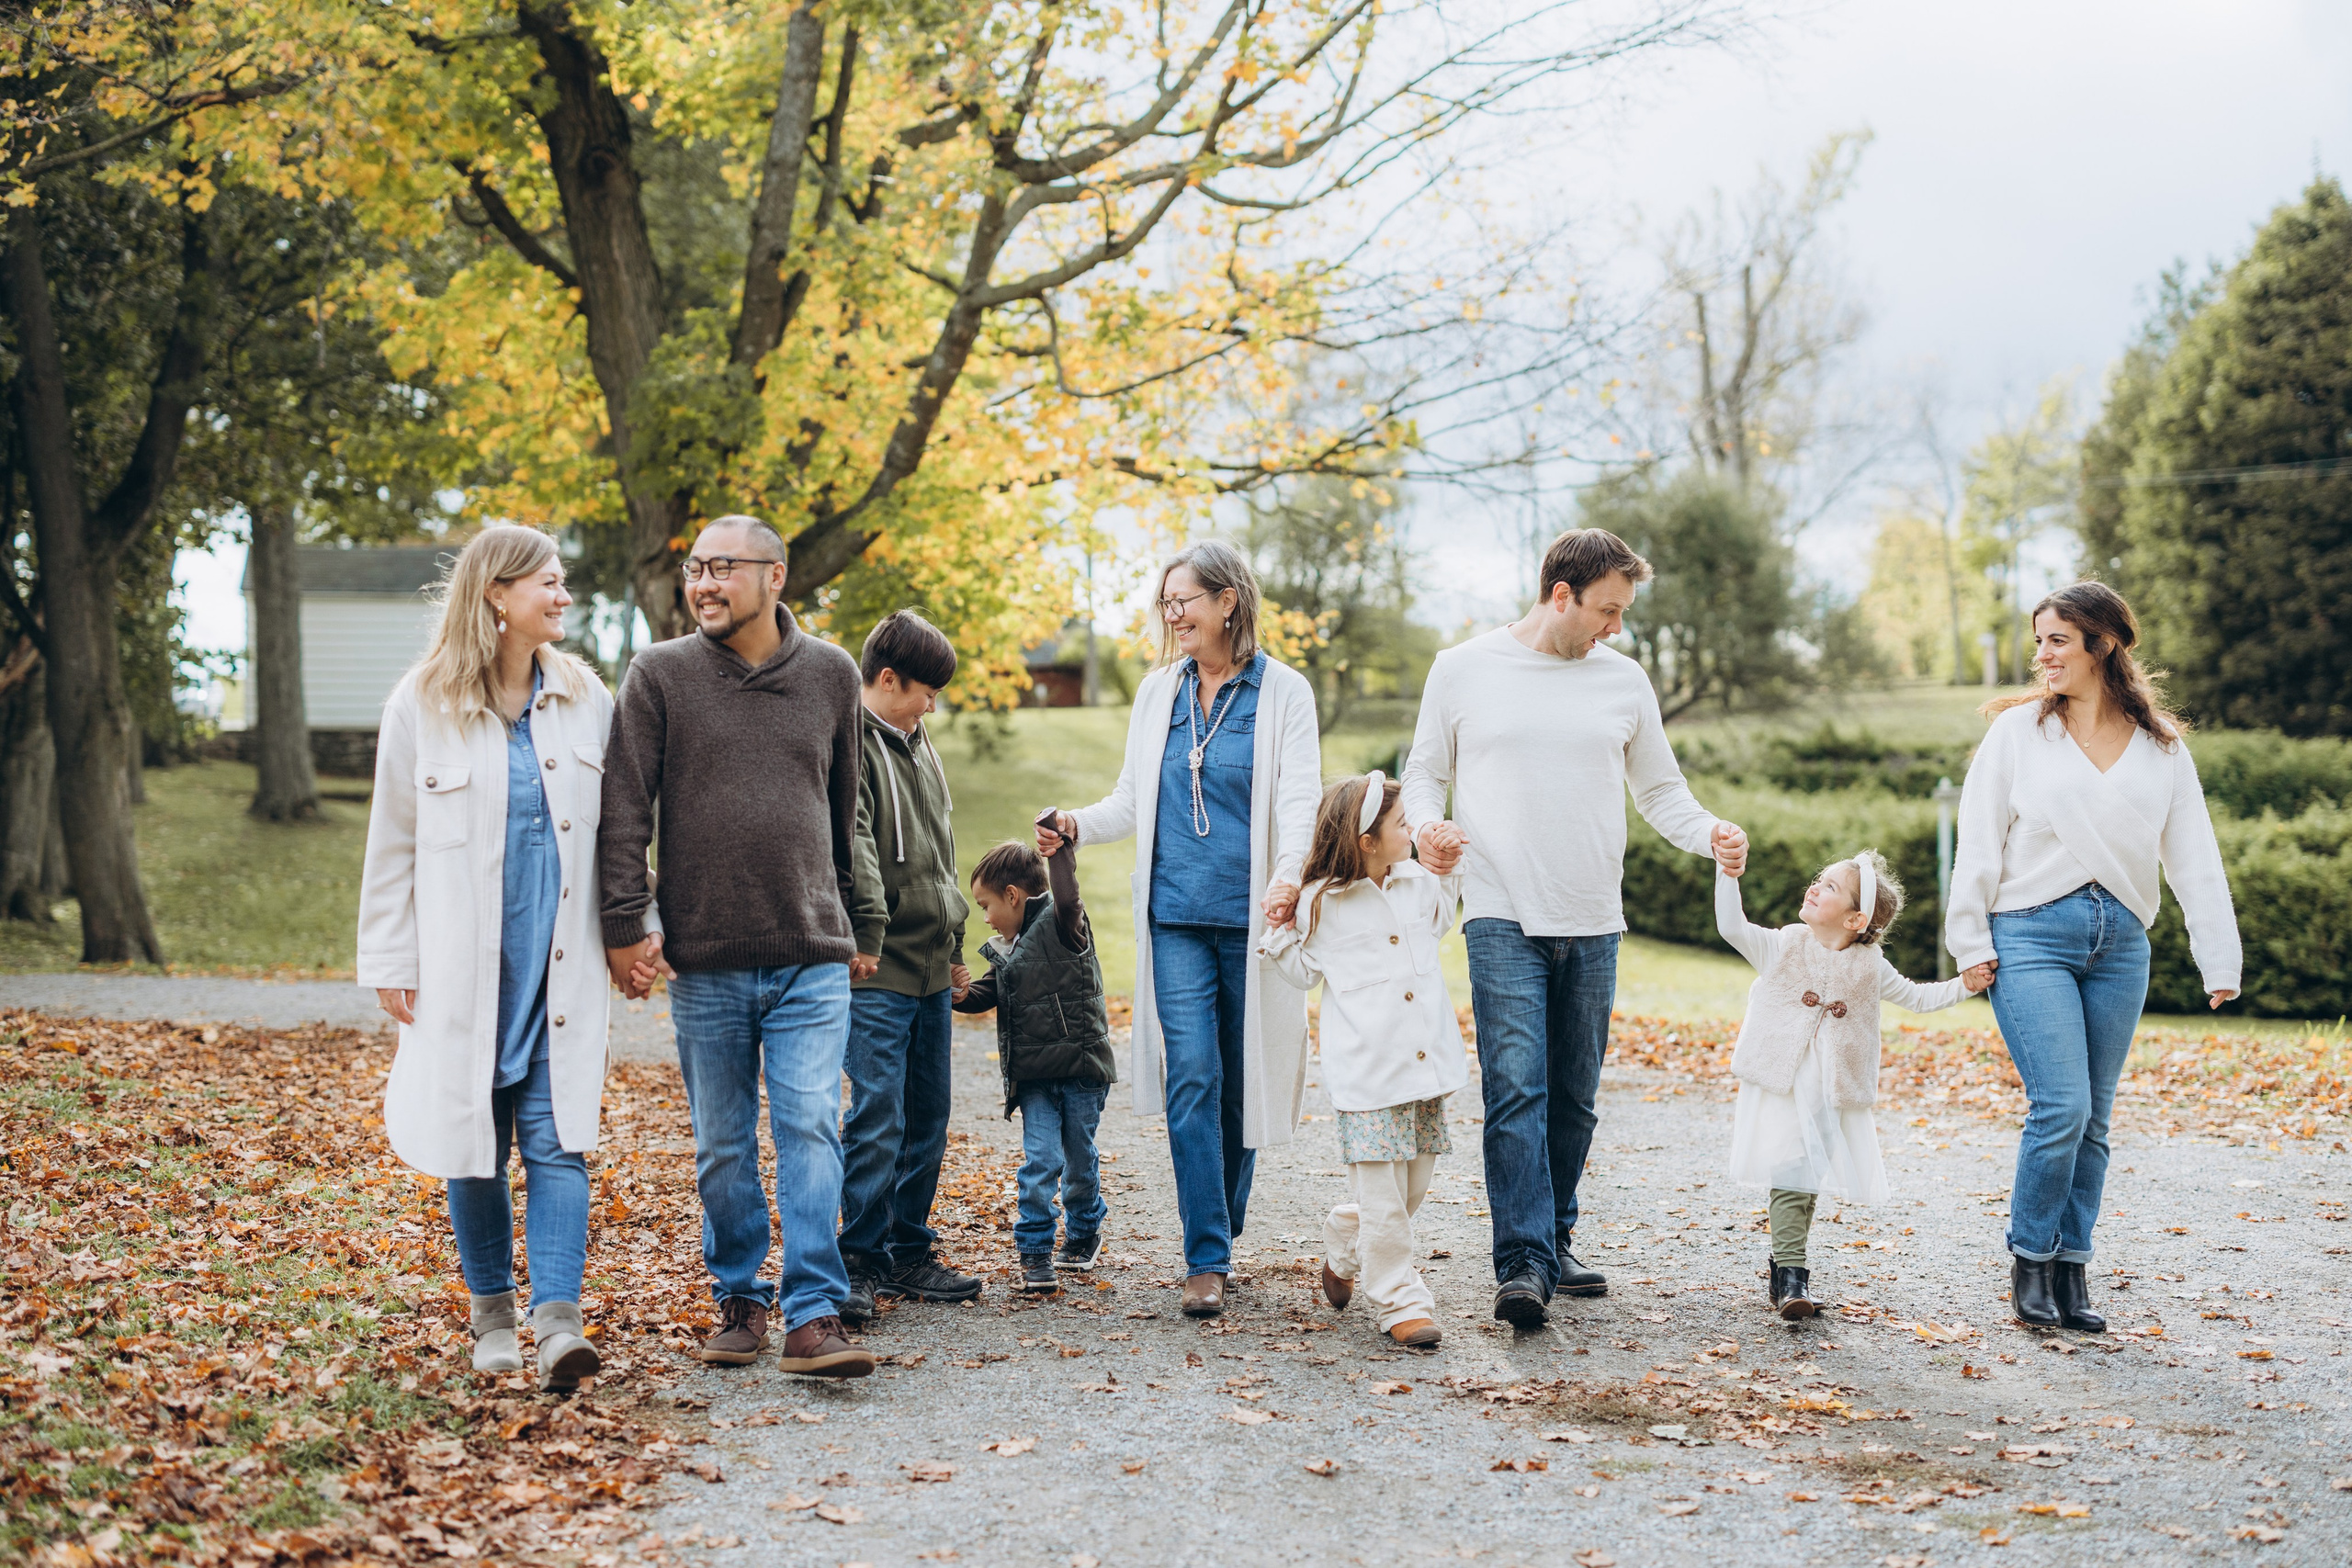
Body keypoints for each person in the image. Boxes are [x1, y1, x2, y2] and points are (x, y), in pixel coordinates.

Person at [1401, 526, 1748, 1328]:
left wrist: (1711, 834)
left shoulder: (1622, 682)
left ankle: (1554, 1235)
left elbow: (1661, 791)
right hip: (1500, 906)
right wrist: (1427, 828)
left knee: (1575, 1097)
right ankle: (1522, 1260)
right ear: (1562, 595)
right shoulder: (1462, 669)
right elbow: (1425, 771)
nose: (1615, 628)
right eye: (1608, 610)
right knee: (1516, 1085)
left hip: (1593, 913)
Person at [597, 514, 875, 1378]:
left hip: (809, 950)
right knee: (722, 1141)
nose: (704, 583)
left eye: (722, 567)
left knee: (809, 1124)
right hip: (706, 955)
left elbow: (847, 810)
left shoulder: (832, 674)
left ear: (776, 576)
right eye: (694, 568)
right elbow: (623, 809)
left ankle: (813, 1313)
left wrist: (861, 923)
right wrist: (624, 922)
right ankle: (740, 1297)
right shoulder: (660, 674)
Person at [357, 525, 625, 1392]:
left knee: (558, 1141)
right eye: (546, 583)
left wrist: (636, 922)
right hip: (461, 971)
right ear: (494, 596)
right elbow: (391, 841)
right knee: (471, 1141)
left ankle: (558, 1324)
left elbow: (622, 833)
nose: (563, 596)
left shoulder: (587, 697)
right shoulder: (421, 702)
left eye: (563, 581)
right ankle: (492, 1320)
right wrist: (390, 955)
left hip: (560, 967)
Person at [1946, 581, 2240, 1333]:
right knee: (2062, 1106)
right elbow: (1978, 839)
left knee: (2097, 1119)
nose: (2041, 654)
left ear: (2102, 644)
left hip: (2121, 947)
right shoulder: (2019, 735)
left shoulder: (2162, 749)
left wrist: (2219, 958)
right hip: (2029, 935)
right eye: (2038, 639)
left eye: (2056, 640)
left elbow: (2194, 856)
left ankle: (2072, 1269)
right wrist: (1969, 941)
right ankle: (2030, 1260)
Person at [1038, 540, 1321, 1319]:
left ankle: (1220, 1224)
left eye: (1183, 599)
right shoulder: (1159, 692)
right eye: (1164, 602)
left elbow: (1299, 801)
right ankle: (1206, 1254)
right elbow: (1132, 801)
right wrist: (1075, 823)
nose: (1172, 614)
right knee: (1193, 1074)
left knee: (1243, 1079)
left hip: (1252, 919)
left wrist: (1290, 875)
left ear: (1228, 600)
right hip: (1175, 920)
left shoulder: (1283, 692)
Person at [1715, 849, 1983, 1319]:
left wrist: (1964, 984)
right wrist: (1727, 873)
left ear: (1856, 919)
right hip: (1780, 1080)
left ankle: (1785, 1269)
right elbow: (1732, 927)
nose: (1815, 887)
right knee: (1790, 1169)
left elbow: (1918, 998)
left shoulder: (1869, 966)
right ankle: (1793, 1275)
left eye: (1831, 887)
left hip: (1829, 1089)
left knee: (1805, 1172)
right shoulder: (1785, 945)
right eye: (1819, 880)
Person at [1260, 773, 1465, 1351]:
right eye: (1402, 824)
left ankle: (1345, 1235)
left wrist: (1447, 869)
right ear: (1367, 840)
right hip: (1368, 1075)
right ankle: (1400, 1300)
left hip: (1424, 1067)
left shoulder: (1416, 882)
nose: (1411, 831)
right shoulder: (1321, 902)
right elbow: (1302, 972)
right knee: (1385, 1199)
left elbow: (1441, 919)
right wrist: (1278, 928)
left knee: (1410, 1192)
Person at [838, 610, 981, 1324]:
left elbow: (943, 849)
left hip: (929, 963)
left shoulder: (920, 743)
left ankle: (907, 1248)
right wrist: (867, 930)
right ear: (887, 678)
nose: (933, 703)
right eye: (926, 690)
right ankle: (857, 1259)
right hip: (877, 965)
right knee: (877, 1113)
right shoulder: (851, 744)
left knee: (928, 1112)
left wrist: (955, 949)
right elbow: (857, 844)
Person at [954, 823, 1116, 1296]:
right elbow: (989, 992)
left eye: (986, 906)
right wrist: (960, 992)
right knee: (1041, 1160)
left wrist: (1060, 851)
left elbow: (1067, 898)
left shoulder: (1063, 925)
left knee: (1079, 1161)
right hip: (1036, 1078)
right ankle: (1035, 1250)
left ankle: (1084, 1230)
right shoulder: (1009, 947)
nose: (985, 919)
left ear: (1012, 895)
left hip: (1082, 1071)